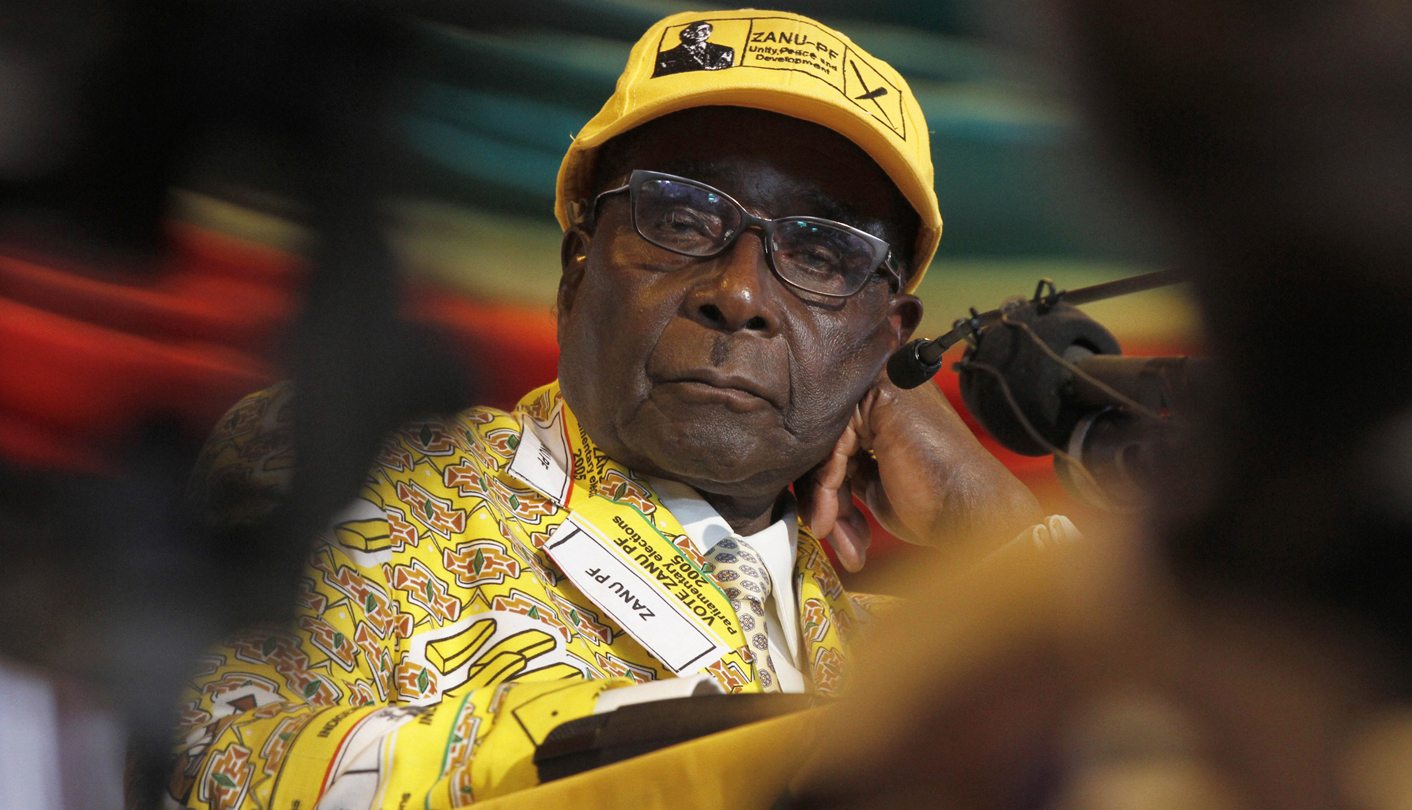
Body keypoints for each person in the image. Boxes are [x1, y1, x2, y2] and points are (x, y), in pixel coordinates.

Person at [168, 9, 1049, 807]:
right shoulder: (364, 464)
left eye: (821, 252)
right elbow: (216, 761)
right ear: (576, 267)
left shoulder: (915, 668)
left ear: (885, 341)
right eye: (682, 216)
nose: (739, 291)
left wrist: (999, 524)